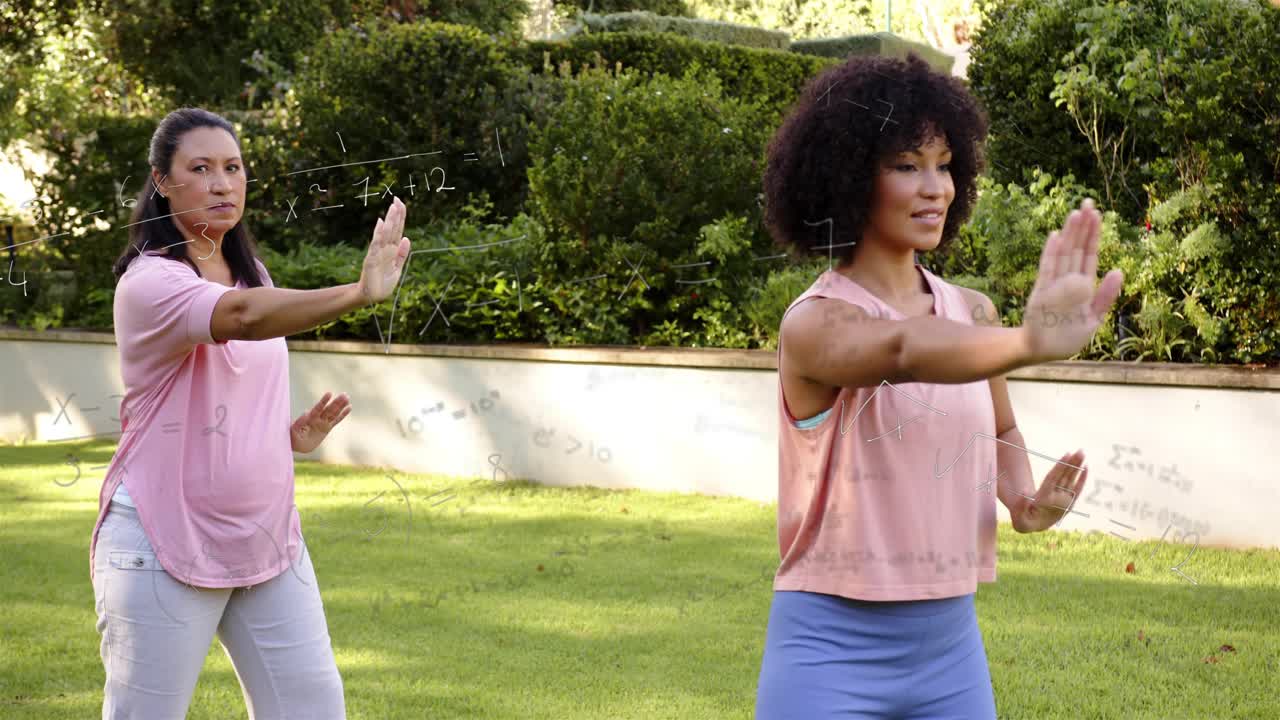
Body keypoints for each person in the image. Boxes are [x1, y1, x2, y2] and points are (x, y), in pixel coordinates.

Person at [754, 53, 1124, 718]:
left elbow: (1000, 427)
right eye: (907, 165)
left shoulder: (973, 312)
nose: (936, 188)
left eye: (945, 165)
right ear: (849, 177)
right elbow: (904, 349)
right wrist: (1028, 342)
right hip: (828, 647)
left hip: (951, 648)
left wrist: (1022, 500)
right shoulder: (814, 323)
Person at [89, 107, 411, 719]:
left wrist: (285, 437)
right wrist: (357, 293)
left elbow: (226, 388)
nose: (221, 183)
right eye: (200, 169)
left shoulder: (251, 273)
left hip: (266, 539)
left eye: (233, 168)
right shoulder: (150, 283)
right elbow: (241, 318)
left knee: (313, 709)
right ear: (162, 182)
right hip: (163, 539)